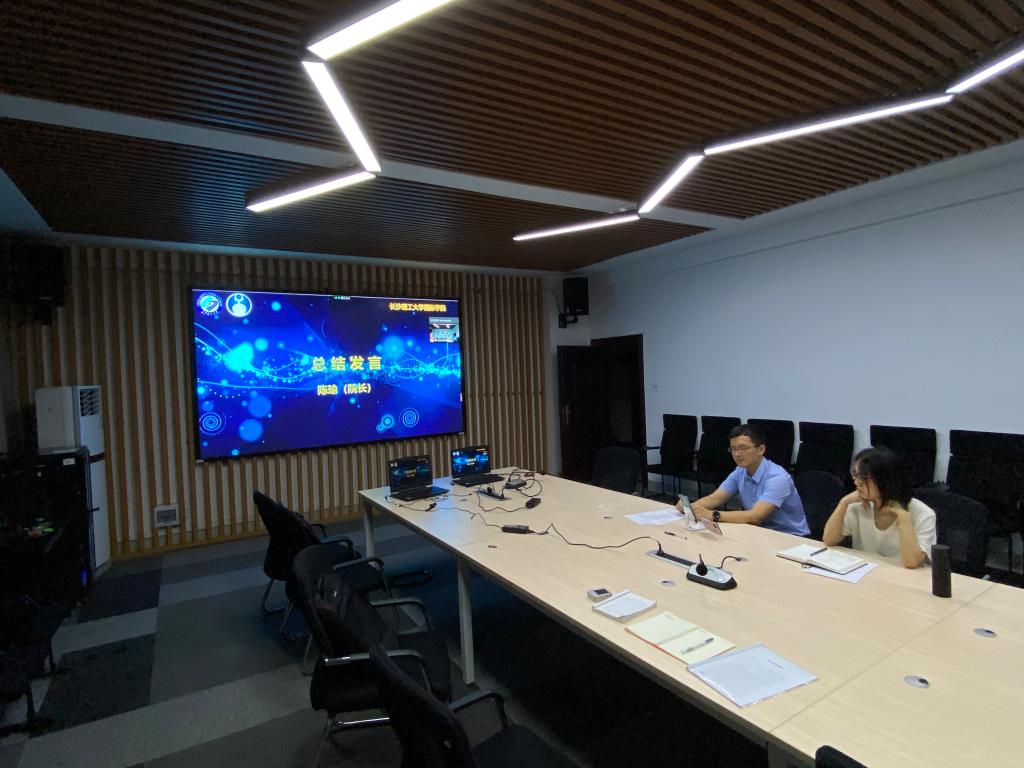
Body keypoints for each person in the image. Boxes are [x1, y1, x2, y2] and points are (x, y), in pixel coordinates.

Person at [677, 424, 810, 535]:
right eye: (733, 449)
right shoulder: (740, 471)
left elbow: (756, 516)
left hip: (790, 538)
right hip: (760, 531)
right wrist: (691, 507)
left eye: (743, 448)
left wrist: (712, 515)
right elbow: (715, 498)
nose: (737, 454)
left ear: (761, 449)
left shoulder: (777, 478)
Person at [822, 446, 936, 568]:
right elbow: (829, 539)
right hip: (866, 572)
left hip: (905, 576)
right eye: (855, 475)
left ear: (885, 480)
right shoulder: (859, 505)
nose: (856, 482)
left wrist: (904, 518)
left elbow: (911, 562)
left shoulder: (923, 513)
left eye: (863, 478)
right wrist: (843, 502)